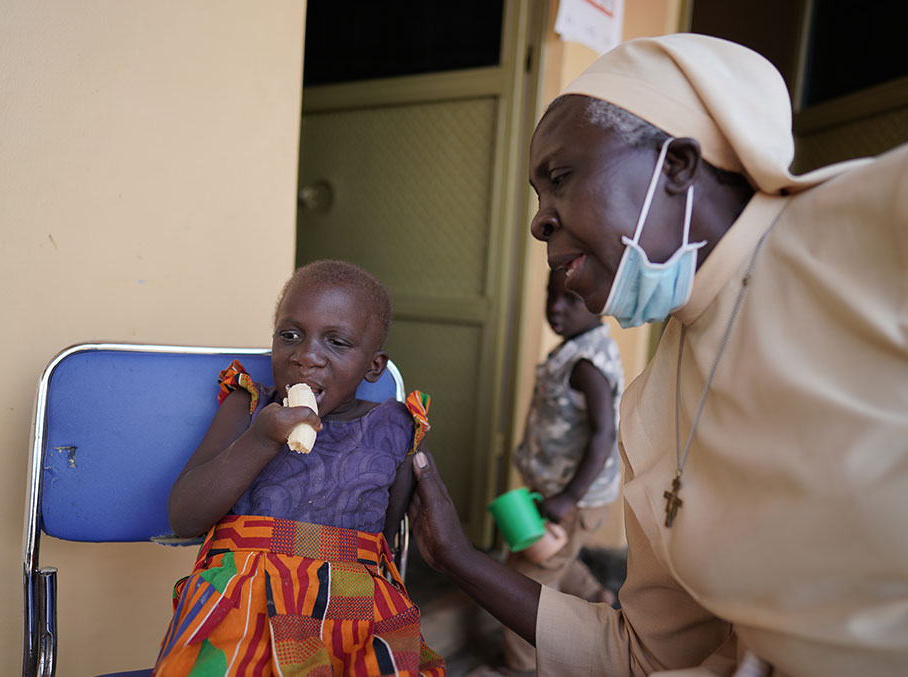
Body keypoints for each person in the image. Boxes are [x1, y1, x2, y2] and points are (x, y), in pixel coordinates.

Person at [408, 33, 908, 676]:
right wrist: (457, 558)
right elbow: (642, 656)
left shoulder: (870, 228)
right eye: (537, 197)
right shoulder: (647, 409)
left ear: (677, 166)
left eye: (559, 179)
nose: (539, 222)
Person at [153, 260, 445, 676]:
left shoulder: (395, 429)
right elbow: (185, 517)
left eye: (337, 343)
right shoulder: (248, 406)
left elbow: (382, 545)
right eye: (290, 335)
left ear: (373, 366)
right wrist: (260, 440)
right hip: (240, 609)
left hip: (352, 616)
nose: (306, 357)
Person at [486, 268, 623, 676]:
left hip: (573, 497)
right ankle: (600, 595)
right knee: (554, 558)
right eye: (551, 295)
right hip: (556, 491)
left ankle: (523, 667)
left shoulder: (585, 364)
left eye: (572, 299)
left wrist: (566, 499)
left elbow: (603, 435)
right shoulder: (576, 347)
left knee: (526, 583)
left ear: (600, 303)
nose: (556, 307)